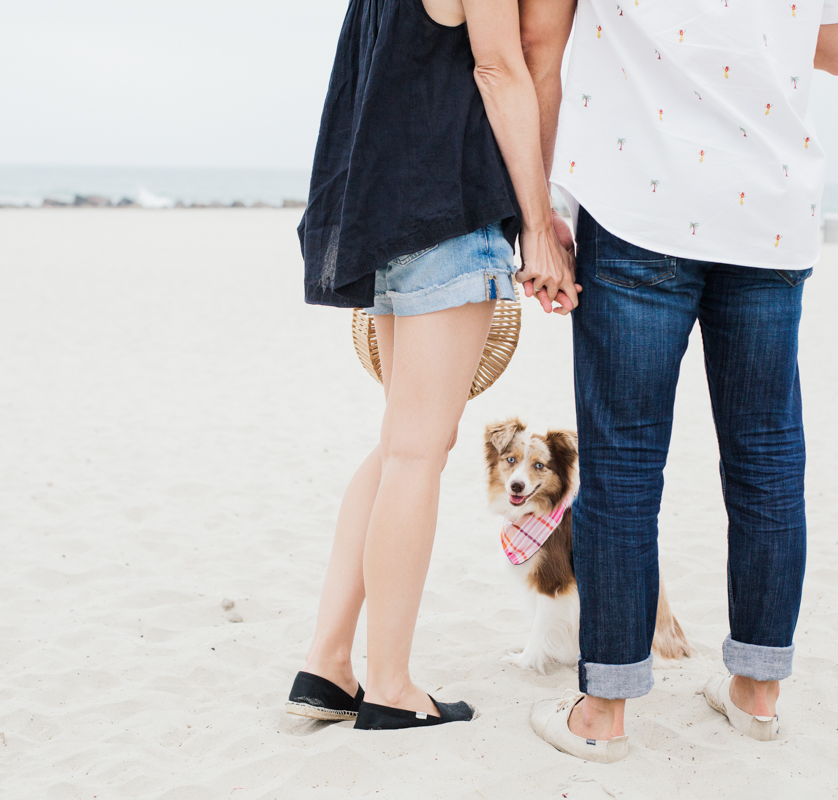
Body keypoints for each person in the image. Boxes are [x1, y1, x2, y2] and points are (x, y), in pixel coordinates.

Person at [520, 0, 838, 761]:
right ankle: (758, 695)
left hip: (641, 196)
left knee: (625, 466)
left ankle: (603, 713)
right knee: (769, 458)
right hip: (769, 206)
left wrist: (539, 211)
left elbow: (539, 34)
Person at [288, 0, 578, 731]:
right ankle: (389, 685)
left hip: (386, 211)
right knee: (418, 450)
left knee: (400, 443)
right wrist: (538, 227)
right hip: (446, 211)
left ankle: (327, 664)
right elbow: (501, 65)